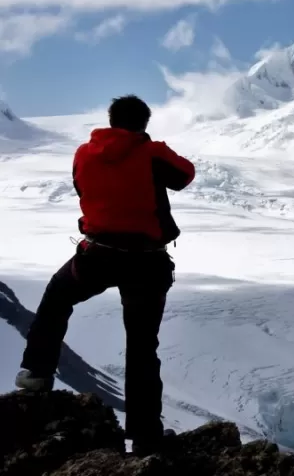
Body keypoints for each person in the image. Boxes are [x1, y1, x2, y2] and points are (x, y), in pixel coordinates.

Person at [14, 95, 195, 457]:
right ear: (144, 123)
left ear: (111, 121)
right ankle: (145, 435)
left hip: (97, 255)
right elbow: (185, 175)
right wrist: (152, 145)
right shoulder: (152, 153)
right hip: (146, 261)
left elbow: (83, 189)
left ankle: (36, 373)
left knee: (56, 299)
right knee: (143, 346)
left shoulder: (84, 153)